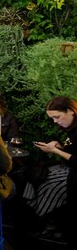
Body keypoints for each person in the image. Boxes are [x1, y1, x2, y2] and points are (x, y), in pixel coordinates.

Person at [29, 96, 77, 241]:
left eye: (57, 116)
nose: (55, 121)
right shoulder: (72, 128)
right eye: (52, 118)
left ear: (70, 111)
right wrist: (60, 147)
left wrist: (55, 151)